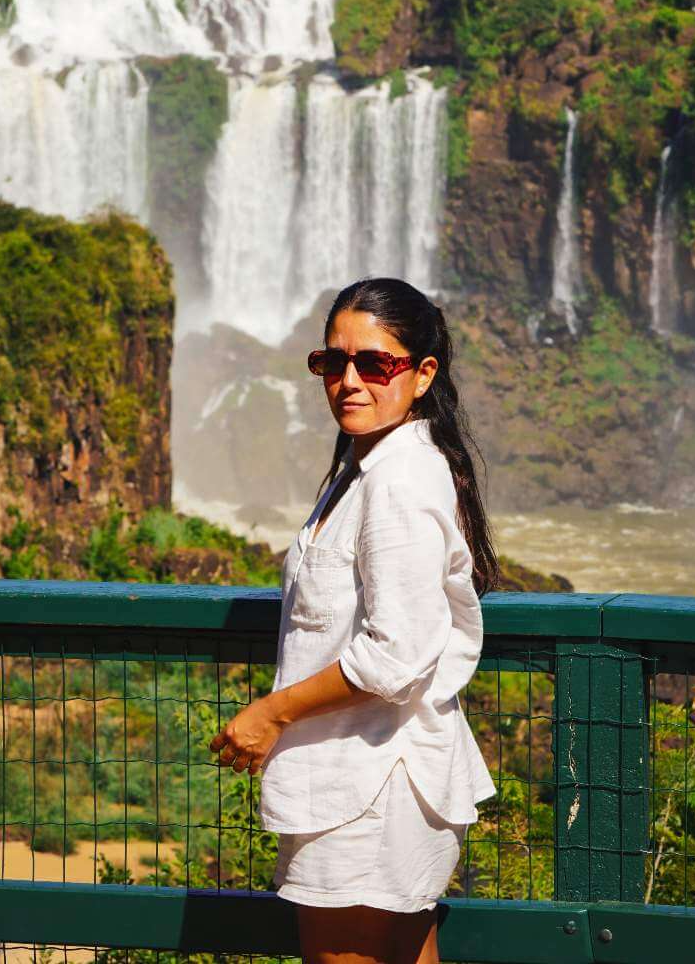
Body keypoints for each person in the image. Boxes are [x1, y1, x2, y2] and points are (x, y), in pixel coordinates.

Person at [210, 277, 498, 964]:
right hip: (372, 780)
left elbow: (393, 659)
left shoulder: (397, 481)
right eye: (330, 362)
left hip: (369, 791)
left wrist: (271, 714)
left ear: (423, 374)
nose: (347, 380)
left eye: (374, 364)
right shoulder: (369, 467)